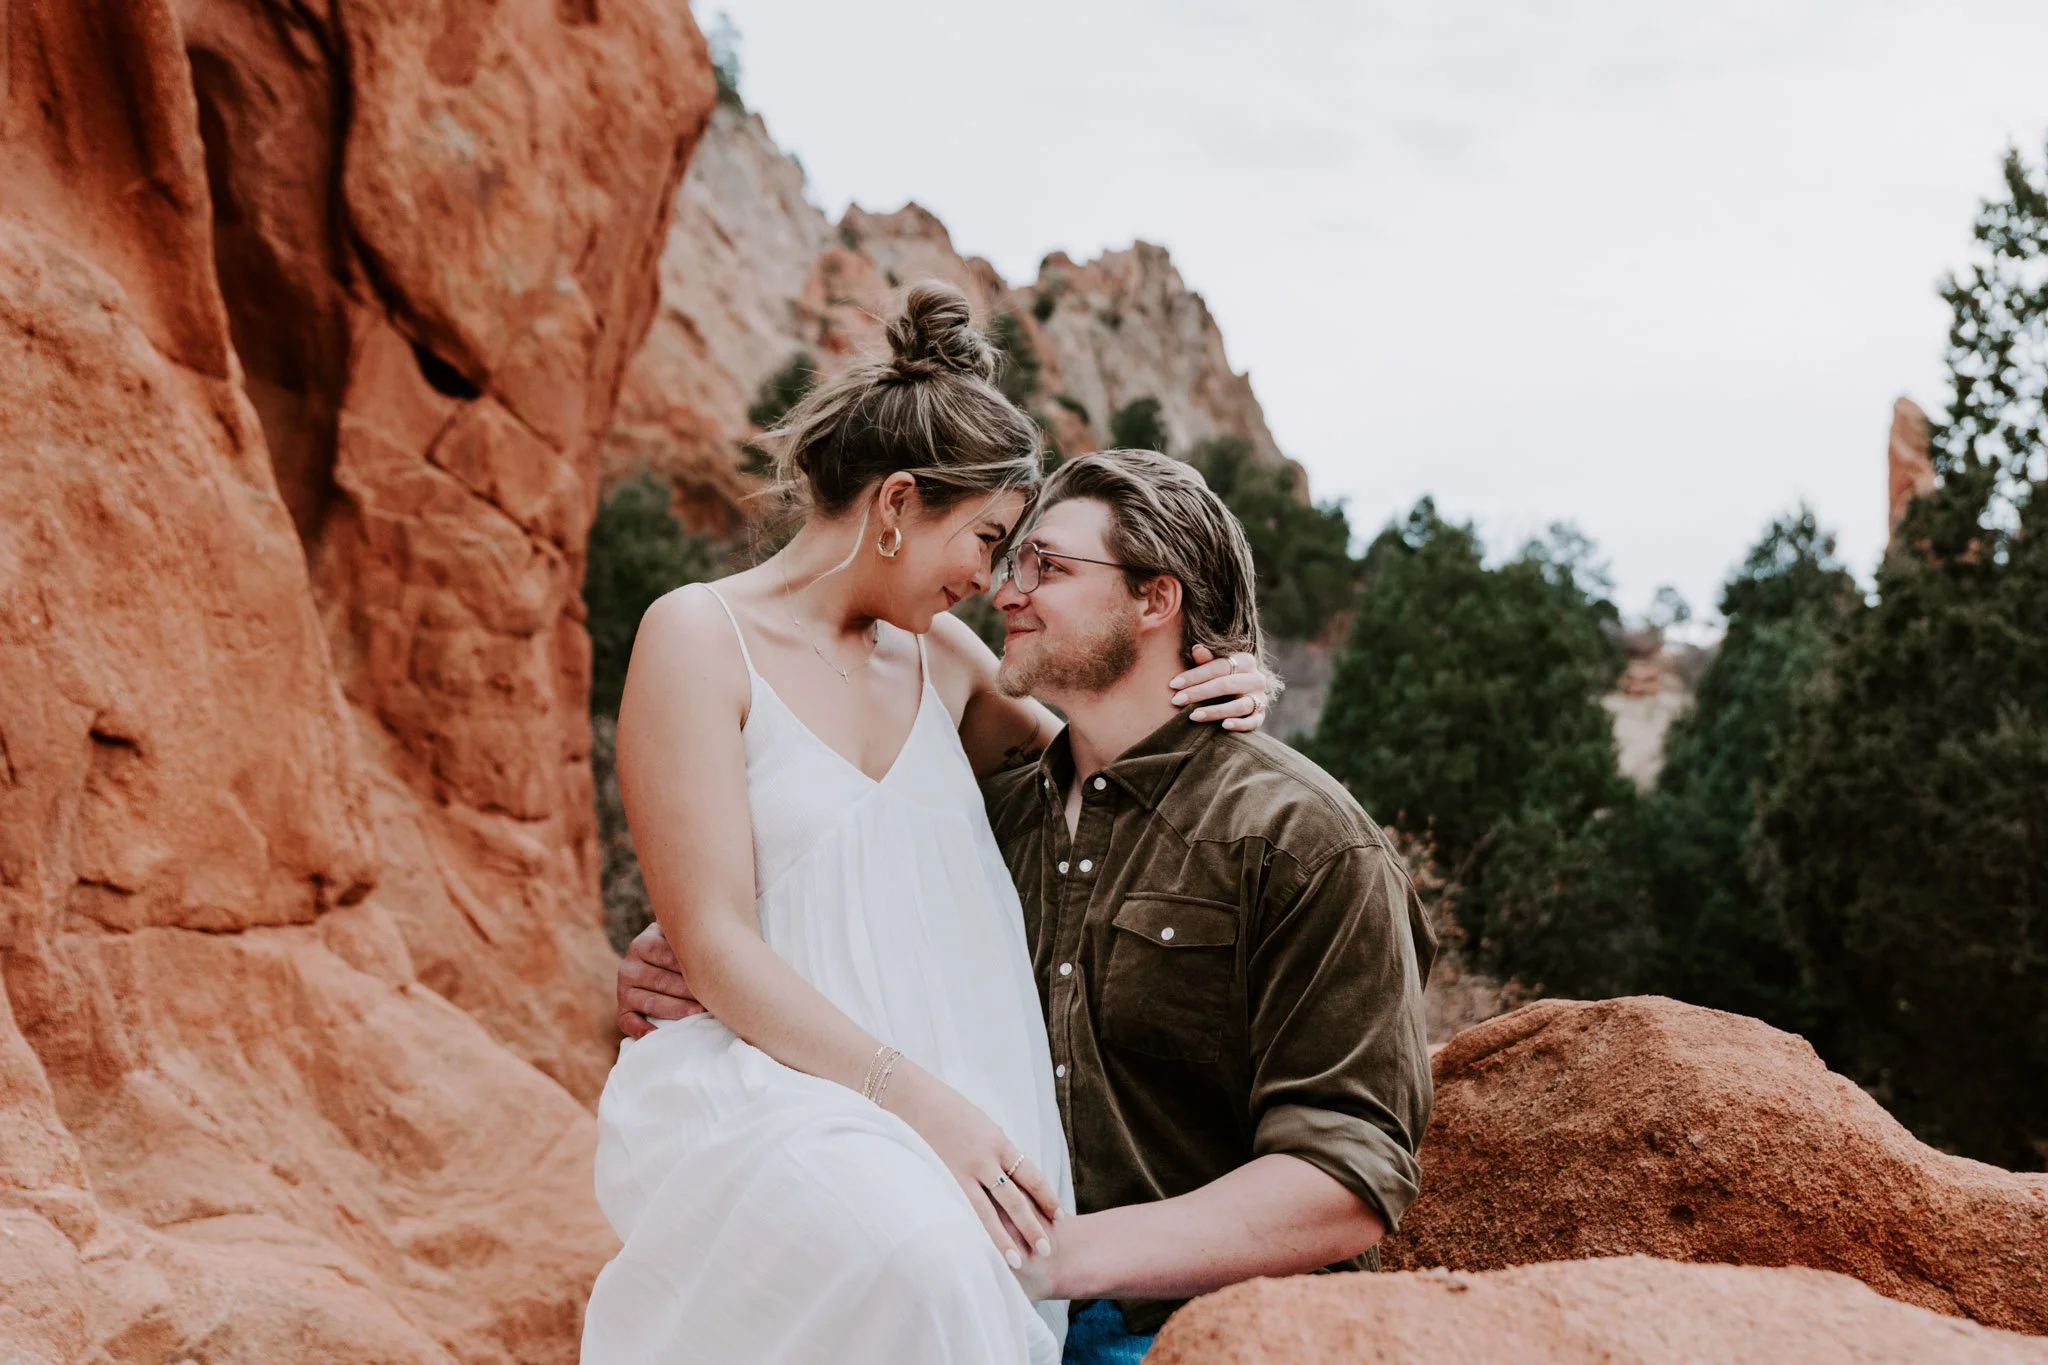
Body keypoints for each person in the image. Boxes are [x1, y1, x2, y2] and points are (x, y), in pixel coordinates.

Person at [620, 446, 1437, 1364]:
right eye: (1011, 560)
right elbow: (810, 915)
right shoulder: (986, 819)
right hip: (957, 1294)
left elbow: (1346, 1172)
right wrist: (691, 954)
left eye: (1046, 565)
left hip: (1193, 1323)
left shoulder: (1302, 839)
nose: (1005, 589)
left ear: (1155, 600)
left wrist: (1049, 1257)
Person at [581, 282, 1274, 1365]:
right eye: (989, 538)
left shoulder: (942, 661)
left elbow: (1113, 765)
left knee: (964, 1280)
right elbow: (710, 940)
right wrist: (919, 1107)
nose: (989, 582)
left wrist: (1230, 690)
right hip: (795, 1093)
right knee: (916, 1261)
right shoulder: (696, 638)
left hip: (976, 1098)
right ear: (898, 502)